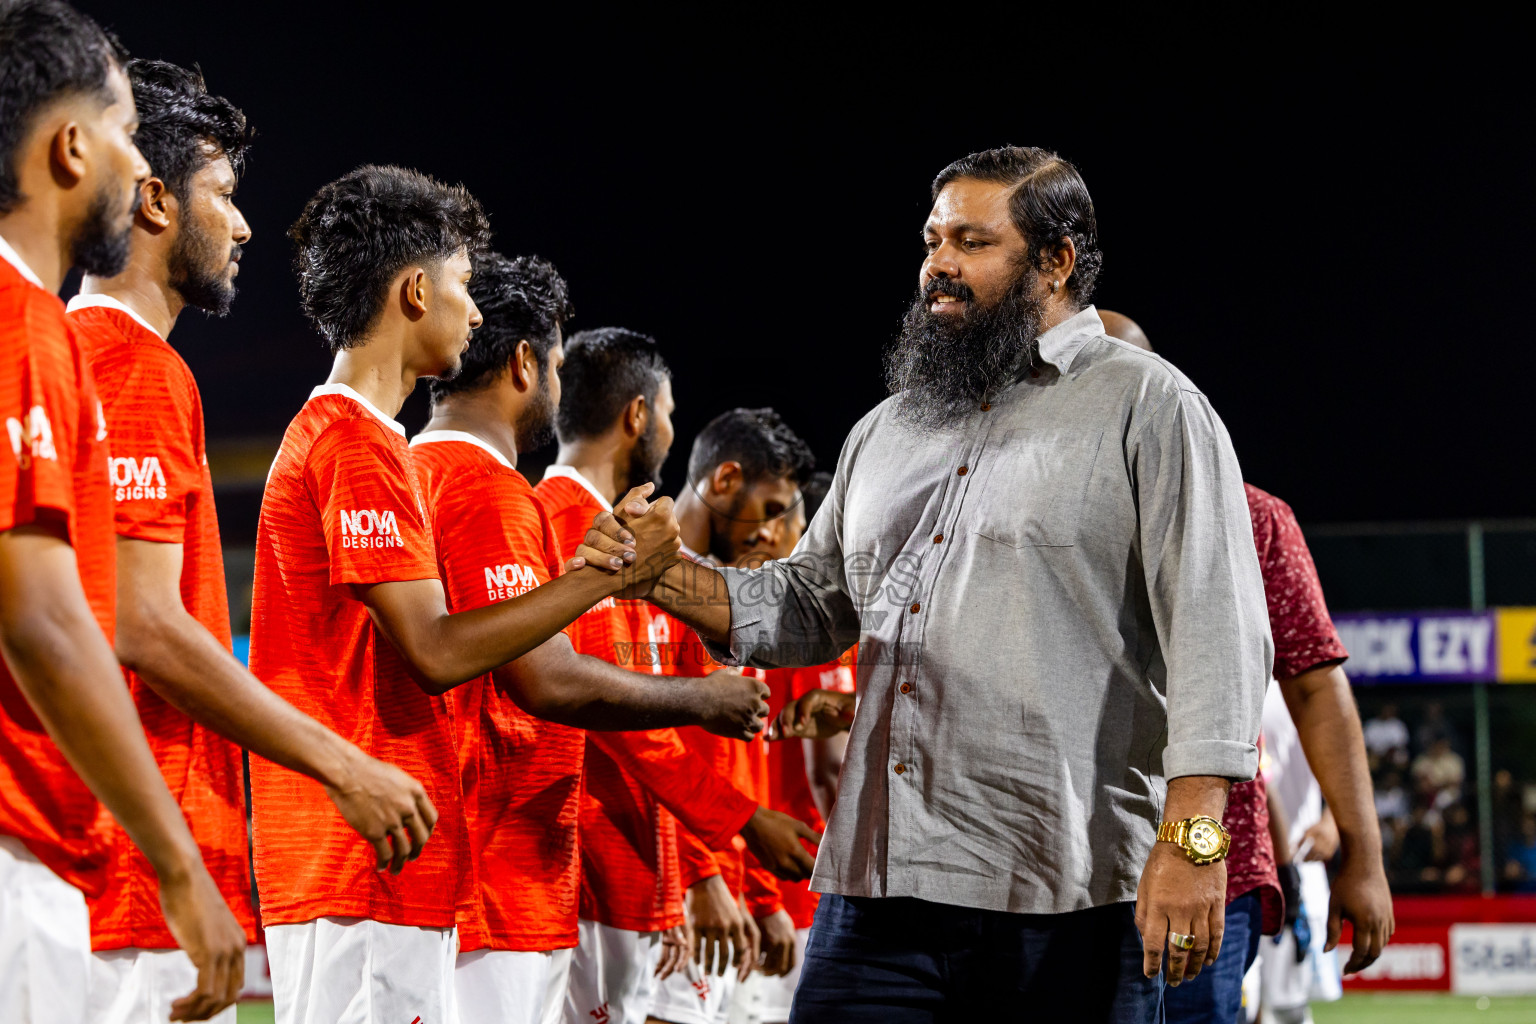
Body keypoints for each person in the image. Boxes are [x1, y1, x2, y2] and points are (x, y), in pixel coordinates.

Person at [636, 146, 1274, 1022]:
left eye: (972, 242)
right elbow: (809, 607)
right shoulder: (887, 430)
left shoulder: (1150, 407)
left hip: (1068, 891)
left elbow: (1217, 628)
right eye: (933, 240)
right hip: (878, 888)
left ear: (1056, 260)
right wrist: (662, 576)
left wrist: (1197, 843)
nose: (938, 263)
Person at [250, 165, 709, 1023]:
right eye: (463, 286)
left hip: (378, 858)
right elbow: (435, 652)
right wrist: (595, 577)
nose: (473, 311)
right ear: (416, 292)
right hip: (365, 862)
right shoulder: (354, 443)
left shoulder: (366, 441)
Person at [67, 59, 436, 1024]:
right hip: (128, 883)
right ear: (154, 203)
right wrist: (343, 763)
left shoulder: (76, 359)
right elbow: (144, 626)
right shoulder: (136, 370)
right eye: (223, 195)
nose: (240, 226)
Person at [409, 257, 780, 1024]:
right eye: (549, 361)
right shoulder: (531, 507)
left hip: (527, 873)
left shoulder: (427, 472)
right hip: (526, 875)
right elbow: (576, 694)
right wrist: (723, 840)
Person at [0, 4, 244, 1020]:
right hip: (35, 852)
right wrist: (179, 860)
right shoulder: (28, 330)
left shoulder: (45, 329)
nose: (139, 162)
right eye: (128, 129)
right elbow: (50, 621)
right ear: (70, 146)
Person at [1097, 311, 1393, 1021]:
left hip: (1211, 864)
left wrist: (1364, 853)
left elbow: (1316, 685)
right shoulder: (1015, 512)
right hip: (1050, 864)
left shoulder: (1252, 518)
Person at [534, 334, 817, 1024]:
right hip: (602, 869)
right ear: (637, 415)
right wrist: (708, 868)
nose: (777, 535)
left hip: (647, 868)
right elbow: (608, 708)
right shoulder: (586, 529)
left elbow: (700, 738)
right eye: (665, 411)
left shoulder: (678, 571)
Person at [645, 407, 818, 1024]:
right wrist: (696, 879)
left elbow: (744, 757)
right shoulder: (650, 578)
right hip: (659, 884)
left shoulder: (731, 597)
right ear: (723, 482)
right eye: (770, 510)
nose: (773, 534)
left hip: (726, 880)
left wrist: (760, 890)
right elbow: (642, 744)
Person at [1362, 703, 1409, 770]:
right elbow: (1365, 744)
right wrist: (1376, 754)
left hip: (1392, 754)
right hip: (1375, 754)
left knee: (1402, 759)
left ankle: (1396, 777)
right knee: (1368, 761)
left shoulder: (1398, 725)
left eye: (1389, 710)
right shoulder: (1371, 724)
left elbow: (1401, 744)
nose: (1387, 712)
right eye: (1385, 710)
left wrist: (1388, 753)